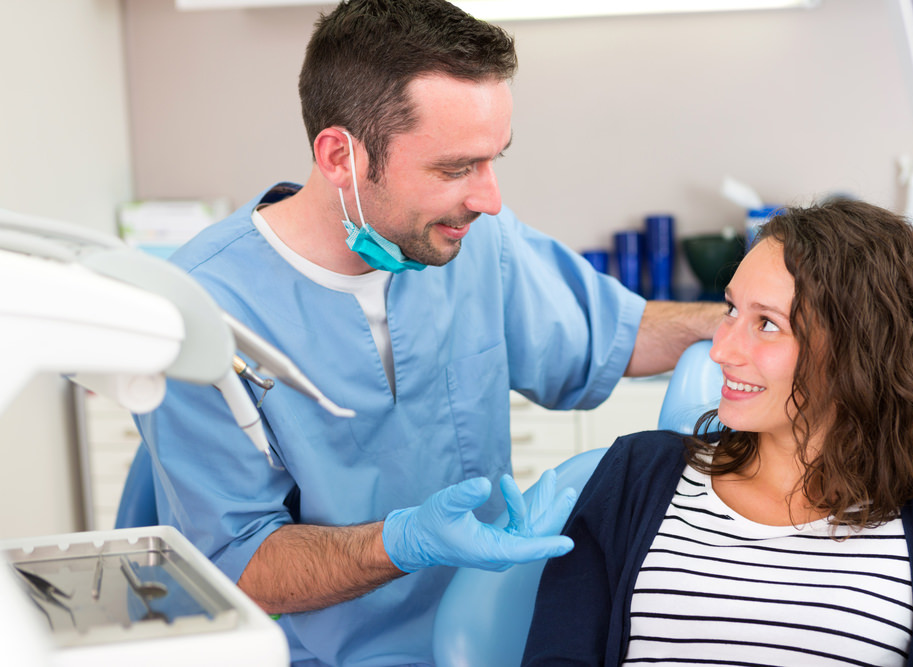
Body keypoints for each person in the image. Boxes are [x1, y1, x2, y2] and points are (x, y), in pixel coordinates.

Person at [134, 1, 723, 664]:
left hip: (496, 634)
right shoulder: (203, 311)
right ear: (339, 156)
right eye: (454, 168)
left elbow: (612, 332)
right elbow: (236, 559)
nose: (489, 197)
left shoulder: (474, 243)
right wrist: (404, 540)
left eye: (494, 159)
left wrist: (745, 325)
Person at [522, 199, 913, 666]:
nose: (720, 350)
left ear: (862, 354)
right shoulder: (634, 474)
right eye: (730, 309)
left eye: (767, 324)